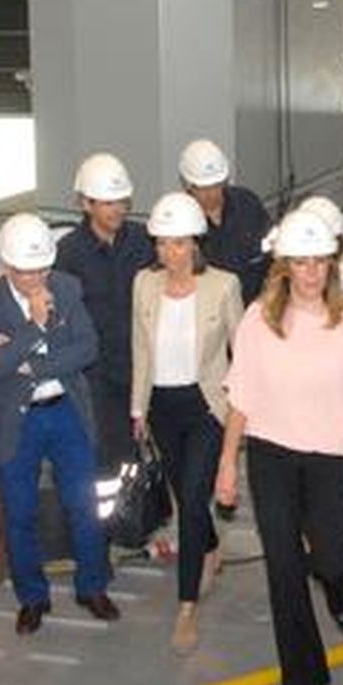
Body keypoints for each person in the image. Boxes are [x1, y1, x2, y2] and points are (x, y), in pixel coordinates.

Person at [215, 210, 343, 685]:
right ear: (284, 265)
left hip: (334, 457)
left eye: (319, 261)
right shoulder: (257, 320)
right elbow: (241, 396)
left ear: (332, 263)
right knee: (283, 567)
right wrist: (227, 463)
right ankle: (302, 676)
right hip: (272, 456)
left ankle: (338, 585)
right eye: (301, 262)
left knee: (328, 558)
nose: (311, 272)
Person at [0, 212, 118, 635]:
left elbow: (87, 347)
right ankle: (32, 597)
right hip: (16, 421)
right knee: (19, 512)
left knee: (84, 503)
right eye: (26, 272)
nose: (36, 279)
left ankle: (92, 586)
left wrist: (28, 362)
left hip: (65, 410)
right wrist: (35, 327)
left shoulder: (66, 288)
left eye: (42, 270)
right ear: (5, 266)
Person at [131, 192, 244, 655]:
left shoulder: (224, 286)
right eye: (162, 243)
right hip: (162, 407)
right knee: (187, 496)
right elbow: (140, 349)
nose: (169, 253)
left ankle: (186, 606)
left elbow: (243, 353)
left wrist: (241, 413)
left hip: (206, 408)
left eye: (178, 243)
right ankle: (210, 545)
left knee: (192, 501)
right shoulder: (143, 284)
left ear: (196, 242)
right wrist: (138, 408)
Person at [54, 153, 155, 477]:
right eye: (108, 203)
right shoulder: (68, 254)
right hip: (95, 376)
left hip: (141, 366)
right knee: (104, 457)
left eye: (122, 202)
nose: (118, 210)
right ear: (86, 203)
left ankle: (137, 508)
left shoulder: (144, 241)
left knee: (143, 458)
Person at [179, 138, 272, 303]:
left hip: (255, 305)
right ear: (188, 186)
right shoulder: (180, 221)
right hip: (209, 310)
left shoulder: (247, 204)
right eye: (203, 188)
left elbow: (271, 256)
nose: (211, 194)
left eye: (216, 185)